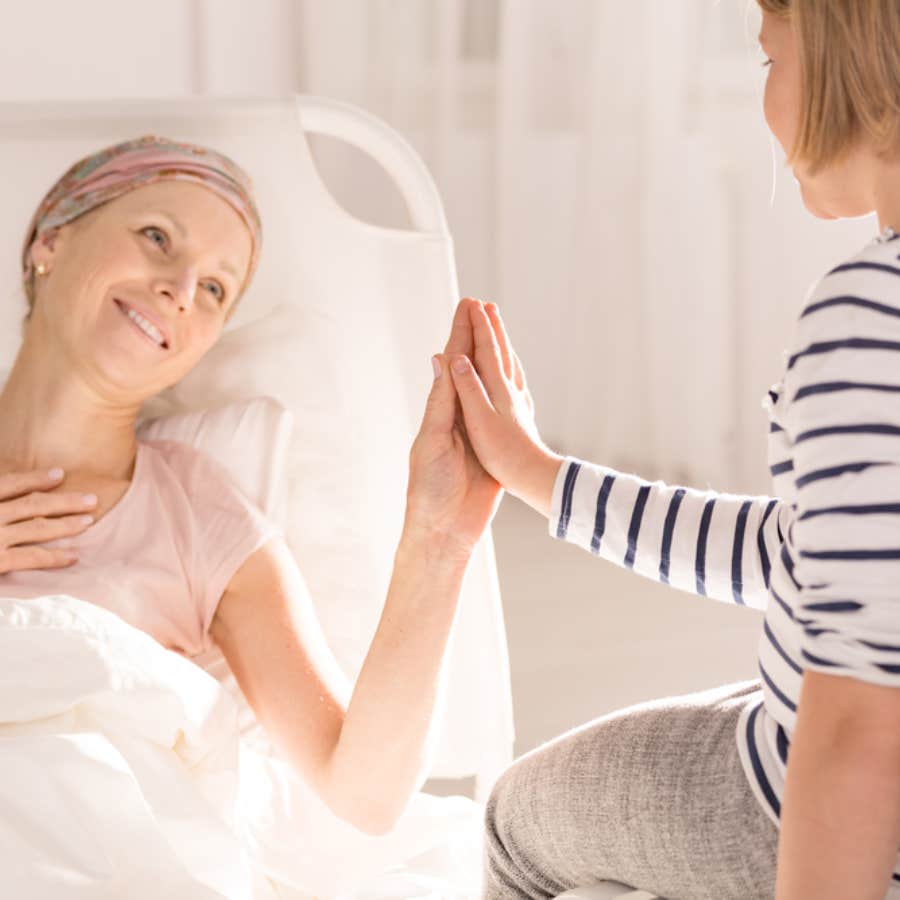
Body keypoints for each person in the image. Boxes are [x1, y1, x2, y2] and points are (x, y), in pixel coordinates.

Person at [438, 1, 900, 897]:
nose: (766, 99)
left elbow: (858, 731)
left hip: (822, 815)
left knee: (511, 824)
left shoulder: (870, 322)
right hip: (808, 739)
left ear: (854, 53)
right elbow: (810, 558)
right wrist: (541, 476)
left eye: (772, 61)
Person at [0, 134, 503, 838]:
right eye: (156, 237)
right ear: (50, 243)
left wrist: (440, 539)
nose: (180, 288)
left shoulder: (202, 521)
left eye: (214, 289)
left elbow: (361, 793)